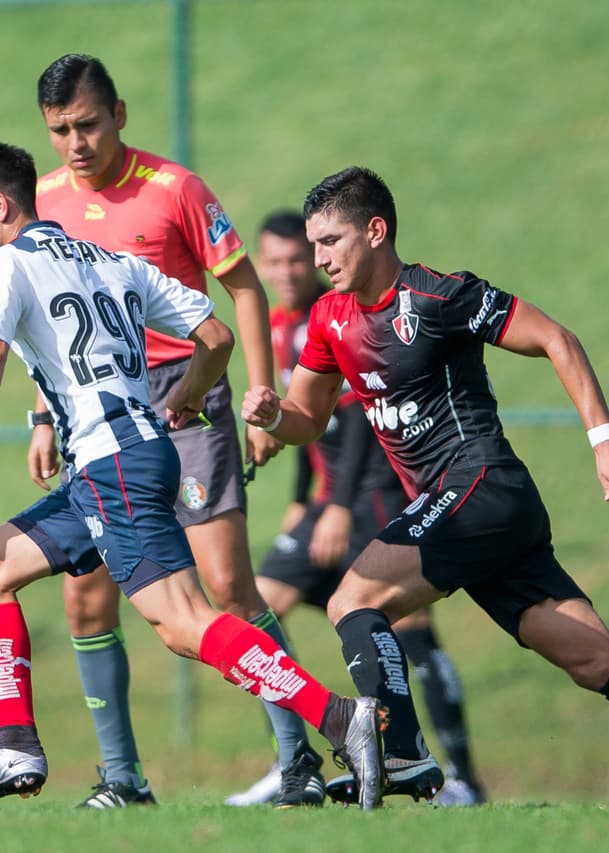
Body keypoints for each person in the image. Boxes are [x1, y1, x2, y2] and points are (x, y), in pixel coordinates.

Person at [240, 166, 609, 812]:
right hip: (471, 519)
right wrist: (270, 417)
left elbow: (555, 339)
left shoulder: (438, 297)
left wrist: (605, 440)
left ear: (375, 231)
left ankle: (399, 750)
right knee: (595, 661)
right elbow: (307, 419)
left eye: (330, 241)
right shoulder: (328, 318)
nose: (319, 258)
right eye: (313, 245)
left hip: (483, 488)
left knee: (352, 599)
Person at [0, 139, 385, 810]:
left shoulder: (5, 267)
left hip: (115, 467)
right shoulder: (113, 261)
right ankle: (16, 741)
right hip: (122, 461)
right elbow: (216, 336)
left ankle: (340, 717)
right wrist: (189, 397)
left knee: (184, 621)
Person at [33, 54, 324, 809]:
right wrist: (39, 416)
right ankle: (122, 779)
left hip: (186, 398)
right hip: (96, 411)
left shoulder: (175, 189)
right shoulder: (42, 200)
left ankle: (299, 761)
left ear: (120, 114)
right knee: (86, 601)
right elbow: (38, 325)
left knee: (227, 584)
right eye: (60, 129)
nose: (76, 142)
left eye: (88, 124)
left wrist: (264, 391)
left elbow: (241, 287)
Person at [227, 211, 487, 807]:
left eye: (301, 257)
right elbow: (308, 423)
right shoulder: (280, 325)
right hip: (327, 500)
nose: (291, 270)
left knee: (414, 627)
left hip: (374, 490)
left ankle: (463, 778)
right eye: (277, 261)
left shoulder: (341, 311)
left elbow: (359, 420)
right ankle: (295, 761)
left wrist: (339, 506)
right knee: (256, 608)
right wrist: (301, 503)